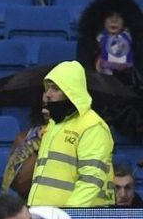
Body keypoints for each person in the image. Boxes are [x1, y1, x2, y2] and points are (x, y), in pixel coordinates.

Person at [26, 61, 115, 207]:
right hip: (44, 214)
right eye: (48, 88)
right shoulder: (54, 124)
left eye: (55, 89)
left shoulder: (93, 126)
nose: (48, 94)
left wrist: (70, 215)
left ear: (71, 92)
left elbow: (91, 180)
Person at [76, 0, 143, 77]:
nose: (114, 20)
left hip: (129, 88)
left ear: (126, 20)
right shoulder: (88, 42)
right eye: (109, 16)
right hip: (97, 88)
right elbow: (85, 73)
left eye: (119, 16)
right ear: (102, 19)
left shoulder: (137, 43)